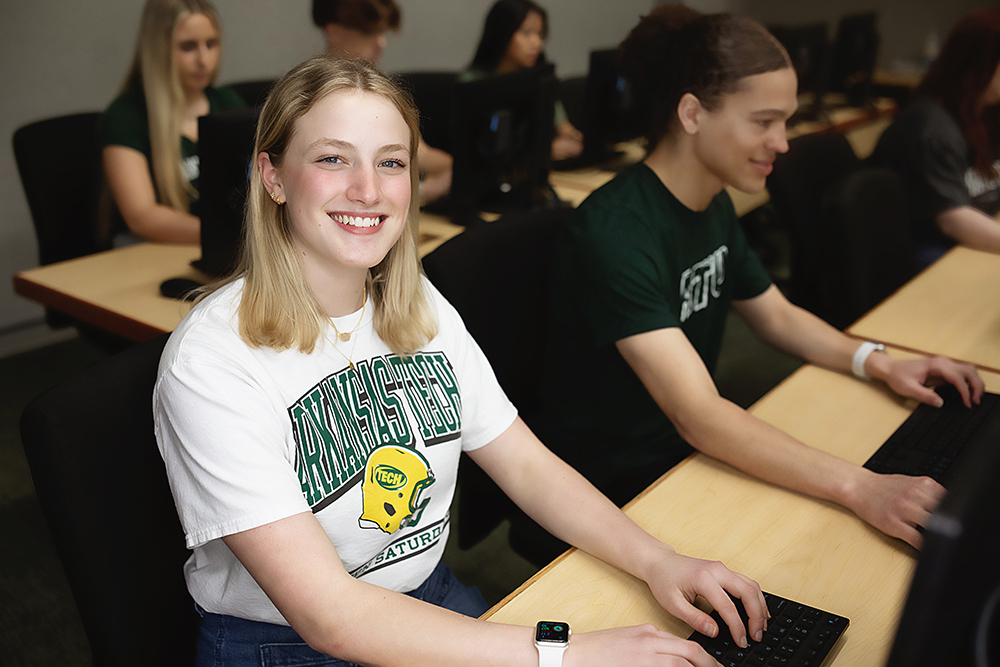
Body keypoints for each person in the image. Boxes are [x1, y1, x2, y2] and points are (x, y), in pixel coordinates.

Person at [154, 56, 769, 667]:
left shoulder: (417, 304)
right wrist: (566, 655)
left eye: (391, 162)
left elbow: (526, 466)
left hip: (424, 596)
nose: (368, 189)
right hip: (287, 644)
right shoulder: (211, 360)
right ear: (274, 176)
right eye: (332, 158)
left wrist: (658, 560)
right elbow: (331, 618)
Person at [517, 6, 985, 567]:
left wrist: (879, 361)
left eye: (783, 121)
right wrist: (862, 487)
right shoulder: (616, 231)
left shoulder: (710, 200)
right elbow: (699, 413)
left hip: (682, 447)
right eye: (763, 122)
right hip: (615, 479)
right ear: (692, 113)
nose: (782, 143)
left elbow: (777, 316)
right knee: (822, 558)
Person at [100, 0, 244, 245]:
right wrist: (227, 235)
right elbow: (141, 217)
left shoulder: (227, 102)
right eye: (188, 47)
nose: (204, 59)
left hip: (218, 247)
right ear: (158, 49)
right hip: (151, 250)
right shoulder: (126, 116)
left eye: (211, 44)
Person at [869, 8, 1000, 267]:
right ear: (979, 66)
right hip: (931, 245)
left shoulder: (987, 109)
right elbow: (953, 219)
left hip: (978, 225)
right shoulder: (931, 131)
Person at [312, 0, 453, 205]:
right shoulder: (310, 99)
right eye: (369, 33)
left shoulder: (380, 94)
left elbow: (423, 156)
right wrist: (424, 191)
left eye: (382, 33)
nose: (381, 43)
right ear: (333, 31)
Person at [464, 0, 584, 161]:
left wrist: (572, 136)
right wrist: (543, 150)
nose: (537, 43)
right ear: (503, 32)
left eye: (540, 34)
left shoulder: (539, 79)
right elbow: (479, 152)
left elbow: (563, 127)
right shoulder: (473, 83)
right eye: (526, 33)